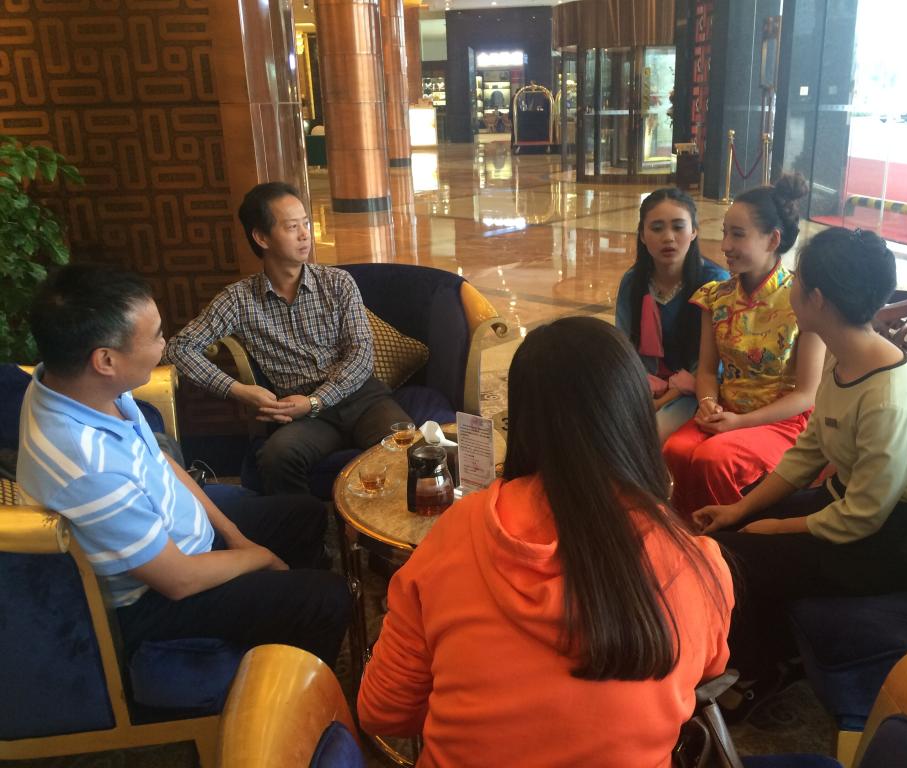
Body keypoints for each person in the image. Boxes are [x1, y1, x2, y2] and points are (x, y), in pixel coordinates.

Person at [358, 317, 734, 767]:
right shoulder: (699, 563)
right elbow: (707, 670)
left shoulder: (457, 532)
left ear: (522, 420)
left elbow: (382, 711)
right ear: (636, 417)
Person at [17, 265, 350, 665]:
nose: (164, 344)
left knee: (306, 513)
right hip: (154, 598)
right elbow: (178, 580)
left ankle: (286, 639)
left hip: (181, 540)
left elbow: (160, 463)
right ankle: (291, 679)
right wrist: (259, 558)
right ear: (105, 360)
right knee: (329, 597)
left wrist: (235, 536)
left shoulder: (78, 388)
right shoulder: (87, 463)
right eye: (156, 336)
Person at [696, 227, 907, 718]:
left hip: (885, 541)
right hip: (845, 502)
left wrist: (776, 527)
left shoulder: (889, 401)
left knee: (732, 554)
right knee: (737, 524)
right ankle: (777, 650)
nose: (788, 286)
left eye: (797, 279)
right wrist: (741, 509)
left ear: (817, 299)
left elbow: (863, 518)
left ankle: (757, 670)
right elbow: (807, 452)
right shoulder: (848, 360)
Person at [164, 181, 410, 495]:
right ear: (262, 237)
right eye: (292, 227)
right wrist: (240, 391)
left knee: (404, 447)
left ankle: (384, 524)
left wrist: (315, 401)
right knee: (277, 456)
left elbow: (361, 355)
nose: (305, 234)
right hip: (303, 416)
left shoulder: (337, 283)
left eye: (306, 223)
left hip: (361, 399)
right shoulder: (239, 299)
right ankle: (303, 526)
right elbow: (178, 348)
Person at [662, 174, 826, 517]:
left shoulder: (802, 301)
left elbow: (806, 394)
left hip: (783, 421)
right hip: (725, 411)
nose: (724, 245)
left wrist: (740, 423)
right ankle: (687, 536)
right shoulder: (716, 297)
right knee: (674, 450)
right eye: (725, 232)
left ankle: (730, 537)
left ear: (773, 239)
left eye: (737, 234)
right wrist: (707, 403)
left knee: (713, 459)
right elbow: (708, 371)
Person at [615, 188, 729, 442]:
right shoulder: (633, 282)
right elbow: (624, 350)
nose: (668, 237)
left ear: (694, 231)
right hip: (644, 384)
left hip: (695, 390)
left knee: (648, 436)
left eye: (678, 227)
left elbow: (713, 367)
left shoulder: (715, 284)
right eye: (656, 228)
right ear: (642, 235)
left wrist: (660, 402)